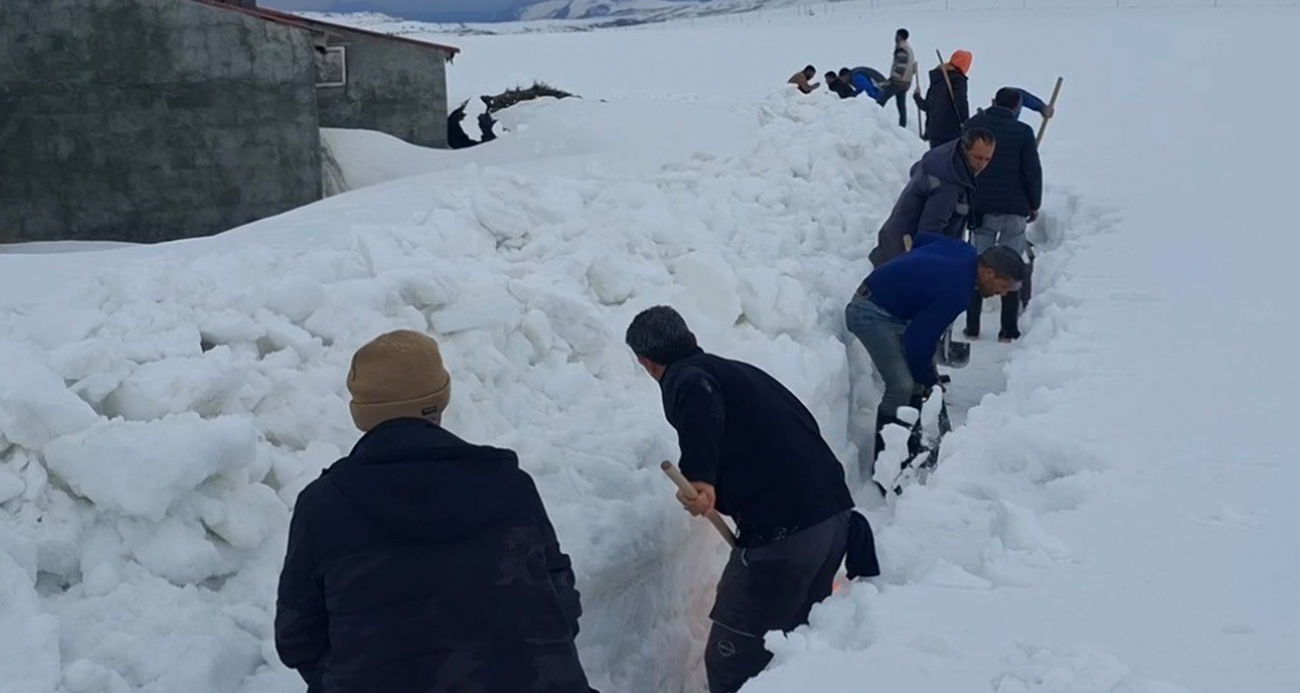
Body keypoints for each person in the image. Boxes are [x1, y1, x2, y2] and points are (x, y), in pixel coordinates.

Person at [275, 330, 594, 693]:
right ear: (440, 400)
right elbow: (561, 600)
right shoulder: (509, 486)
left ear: (361, 414)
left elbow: (296, 638)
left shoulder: (324, 506)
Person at [625, 306, 857, 693]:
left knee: (733, 655)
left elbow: (699, 403)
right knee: (794, 642)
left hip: (786, 535)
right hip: (832, 518)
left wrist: (701, 478)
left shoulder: (689, 377)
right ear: (691, 338)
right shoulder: (739, 373)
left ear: (647, 364)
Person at [845, 237, 1026, 478]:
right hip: (869, 313)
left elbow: (923, 239)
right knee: (902, 385)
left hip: (891, 308)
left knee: (917, 379)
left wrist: (913, 277)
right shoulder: (958, 290)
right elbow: (918, 341)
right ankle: (885, 466)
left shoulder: (963, 250)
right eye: (1004, 286)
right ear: (989, 272)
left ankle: (909, 447)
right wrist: (931, 380)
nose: (1002, 294)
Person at [962, 88, 1043, 341]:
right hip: (1014, 209)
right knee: (1010, 266)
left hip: (980, 207)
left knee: (979, 265)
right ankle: (1008, 330)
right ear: (1017, 108)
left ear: (993, 101)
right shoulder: (1023, 132)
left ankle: (972, 326)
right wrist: (1034, 203)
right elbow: (1032, 171)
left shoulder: (973, 125)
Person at [868, 128, 997, 268]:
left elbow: (916, 169)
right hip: (905, 256)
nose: (982, 165)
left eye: (987, 159)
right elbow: (930, 232)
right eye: (978, 158)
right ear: (965, 150)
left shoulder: (949, 156)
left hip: (895, 244)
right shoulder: (948, 182)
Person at [914, 49, 972, 149]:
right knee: (948, 161)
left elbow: (927, 106)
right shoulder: (958, 79)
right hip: (950, 131)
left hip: (934, 131)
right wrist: (965, 123)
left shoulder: (937, 79)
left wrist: (917, 97)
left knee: (936, 160)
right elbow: (961, 102)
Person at [874, 28, 918, 128]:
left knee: (882, 99)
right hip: (906, 82)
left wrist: (894, 78)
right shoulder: (909, 48)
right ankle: (902, 126)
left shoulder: (902, 48)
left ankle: (874, 118)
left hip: (899, 81)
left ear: (899, 36)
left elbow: (901, 65)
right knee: (901, 105)